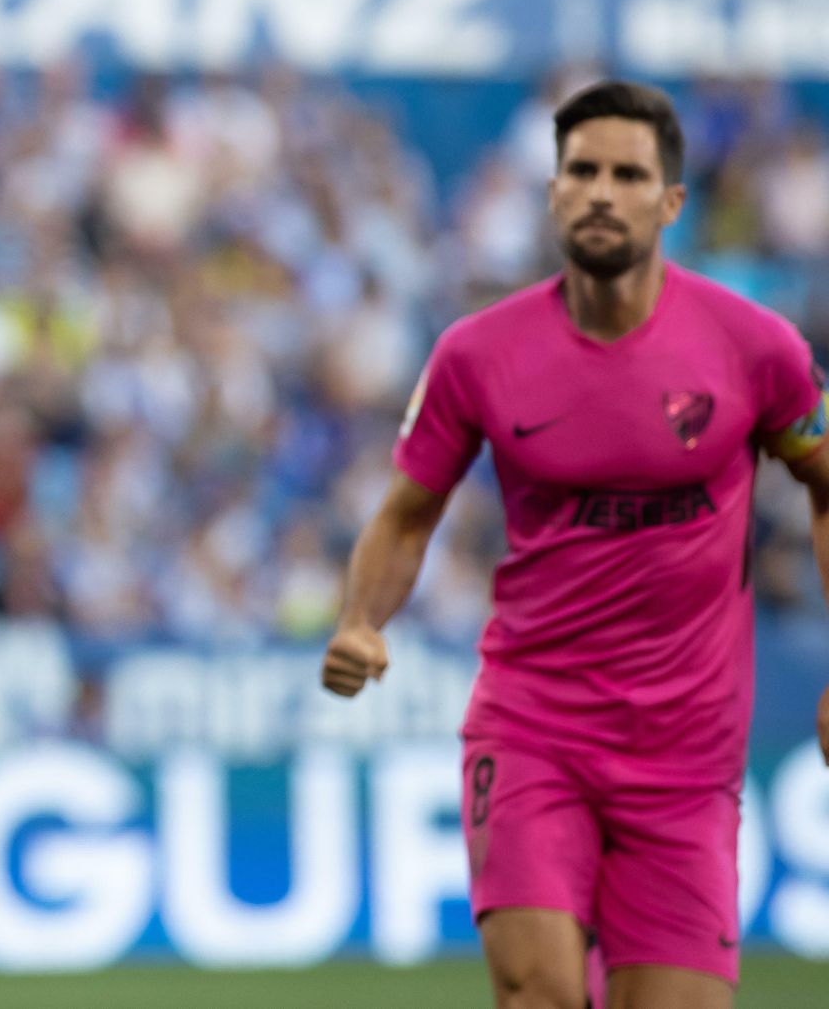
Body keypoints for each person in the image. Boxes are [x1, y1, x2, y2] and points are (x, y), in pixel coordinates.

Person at [320, 80, 829, 1009]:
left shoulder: (756, 350)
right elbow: (405, 512)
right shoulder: (478, 355)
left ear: (673, 202)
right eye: (581, 171)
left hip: (687, 759)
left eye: (628, 174)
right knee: (539, 993)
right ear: (552, 192)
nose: (600, 190)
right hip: (533, 729)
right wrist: (361, 619)